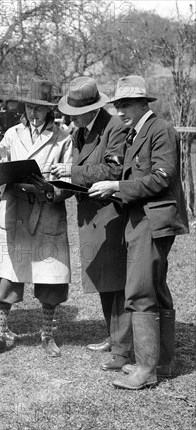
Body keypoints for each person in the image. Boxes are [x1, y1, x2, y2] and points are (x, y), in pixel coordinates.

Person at [88, 75, 189, 389]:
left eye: (126, 104)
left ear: (144, 103)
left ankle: (146, 369)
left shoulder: (160, 131)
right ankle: (163, 361)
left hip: (153, 219)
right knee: (155, 288)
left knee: (140, 290)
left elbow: (161, 176)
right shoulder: (136, 132)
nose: (120, 111)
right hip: (140, 217)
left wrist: (117, 186)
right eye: (117, 105)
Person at [0, 80, 73, 358]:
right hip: (14, 210)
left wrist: (53, 189)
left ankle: (47, 335)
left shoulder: (63, 138)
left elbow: (68, 179)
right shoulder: (11, 134)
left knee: (51, 277)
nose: (34, 114)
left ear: (50, 111)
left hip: (46, 210)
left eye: (40, 109)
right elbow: (0, 163)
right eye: (30, 107)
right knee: (7, 275)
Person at [53, 76, 131, 371]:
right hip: (89, 213)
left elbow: (114, 169)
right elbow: (79, 169)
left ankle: (123, 344)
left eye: (77, 113)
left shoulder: (115, 128)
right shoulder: (80, 130)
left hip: (110, 213)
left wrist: (72, 172)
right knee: (101, 278)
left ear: (93, 109)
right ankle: (113, 336)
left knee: (116, 280)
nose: (73, 119)